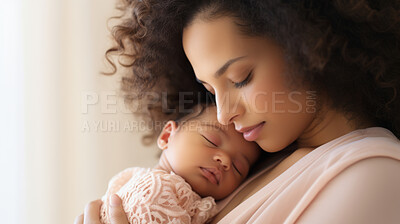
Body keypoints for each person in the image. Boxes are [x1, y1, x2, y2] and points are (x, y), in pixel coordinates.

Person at [75, 0, 400, 223]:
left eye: (240, 78)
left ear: (311, 47)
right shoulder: (250, 162)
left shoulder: (376, 175)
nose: (223, 113)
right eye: (211, 91)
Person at [99, 104, 261, 224]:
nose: (225, 161)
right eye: (211, 140)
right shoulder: (156, 191)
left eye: (237, 168)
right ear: (167, 136)